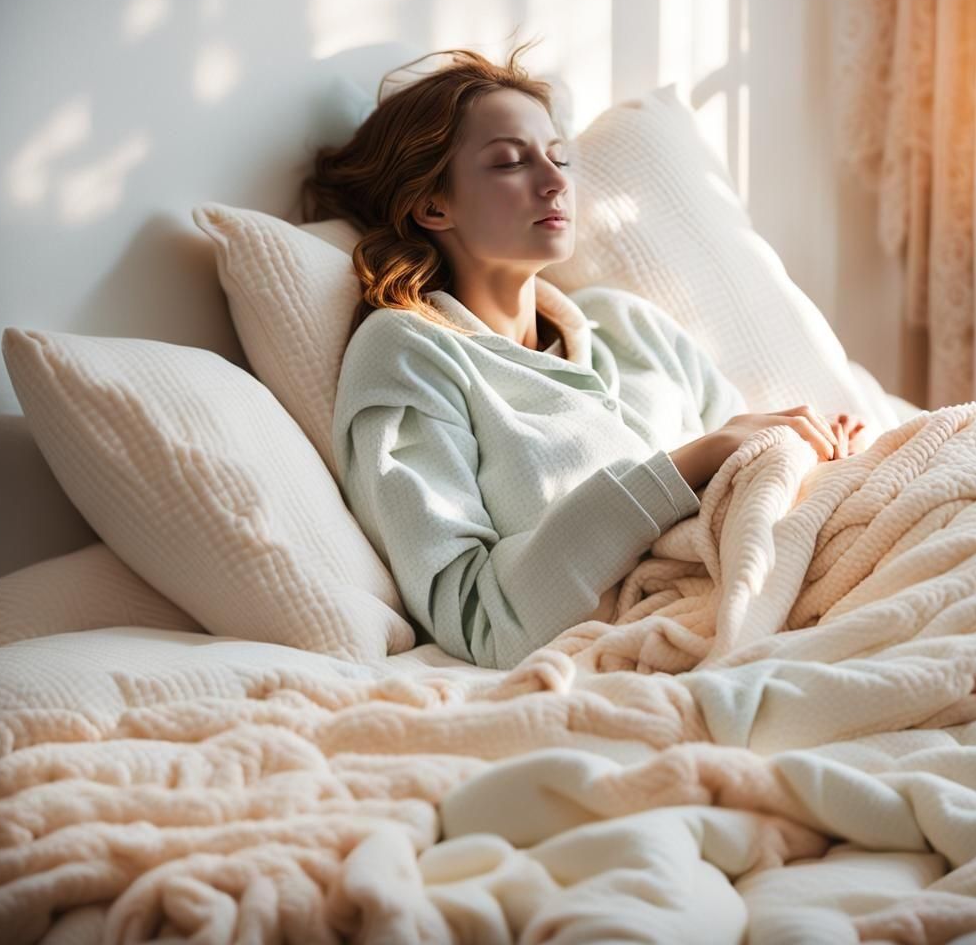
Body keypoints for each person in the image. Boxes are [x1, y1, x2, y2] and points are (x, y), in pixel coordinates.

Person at [302, 40, 867, 670]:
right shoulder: (408, 354)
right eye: (510, 162)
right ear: (434, 205)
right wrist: (688, 463)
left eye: (559, 157)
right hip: (697, 637)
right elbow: (483, 621)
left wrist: (818, 455)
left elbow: (755, 481)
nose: (555, 183)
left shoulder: (628, 325)